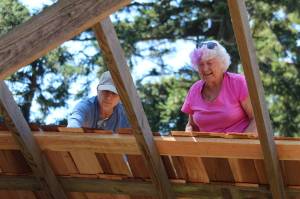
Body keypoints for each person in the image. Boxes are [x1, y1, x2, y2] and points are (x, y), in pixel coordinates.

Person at [181, 40, 257, 133]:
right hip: (207, 147)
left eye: (209, 63)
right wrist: (189, 135)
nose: (205, 69)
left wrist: (239, 144)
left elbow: (257, 120)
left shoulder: (238, 82)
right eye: (201, 64)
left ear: (222, 62)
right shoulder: (194, 90)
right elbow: (192, 126)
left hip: (240, 144)